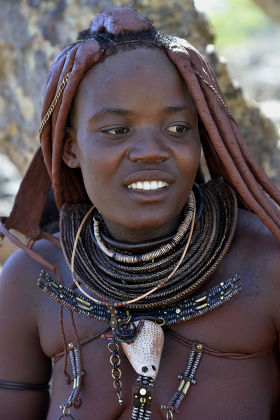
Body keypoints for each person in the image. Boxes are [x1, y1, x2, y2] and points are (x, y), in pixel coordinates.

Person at [0, 6, 280, 420]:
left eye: (177, 128)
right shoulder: (31, 283)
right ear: (70, 148)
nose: (151, 150)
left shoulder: (266, 269)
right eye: (116, 131)